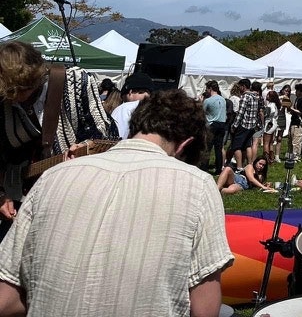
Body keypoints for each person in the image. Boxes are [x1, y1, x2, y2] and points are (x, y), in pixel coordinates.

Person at [0, 89, 233, 316]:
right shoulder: (199, 185)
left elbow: (7, 300)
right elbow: (204, 309)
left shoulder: (53, 176)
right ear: (185, 145)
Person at [0, 41, 115, 230]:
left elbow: (107, 137)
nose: (15, 97)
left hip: (72, 196)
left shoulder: (76, 82)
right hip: (19, 198)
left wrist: (83, 148)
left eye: (22, 90)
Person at [111, 71, 154, 139]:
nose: (123, 101)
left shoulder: (124, 109)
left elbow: (115, 137)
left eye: (123, 98)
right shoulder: (159, 110)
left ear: (130, 92)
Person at [229, 78, 261, 169]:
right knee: (247, 146)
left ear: (243, 87)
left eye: (240, 87)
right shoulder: (255, 96)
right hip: (252, 125)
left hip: (244, 124)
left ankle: (239, 166)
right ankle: (250, 164)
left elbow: (240, 112)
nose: (239, 88)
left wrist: (234, 125)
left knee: (236, 146)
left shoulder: (245, 96)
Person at [203, 81, 228, 174]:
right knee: (218, 148)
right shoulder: (223, 99)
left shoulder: (208, 100)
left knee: (208, 147)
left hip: (212, 124)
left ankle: (204, 167)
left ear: (210, 89)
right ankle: (218, 168)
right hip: (222, 124)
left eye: (207, 89)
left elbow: (202, 112)